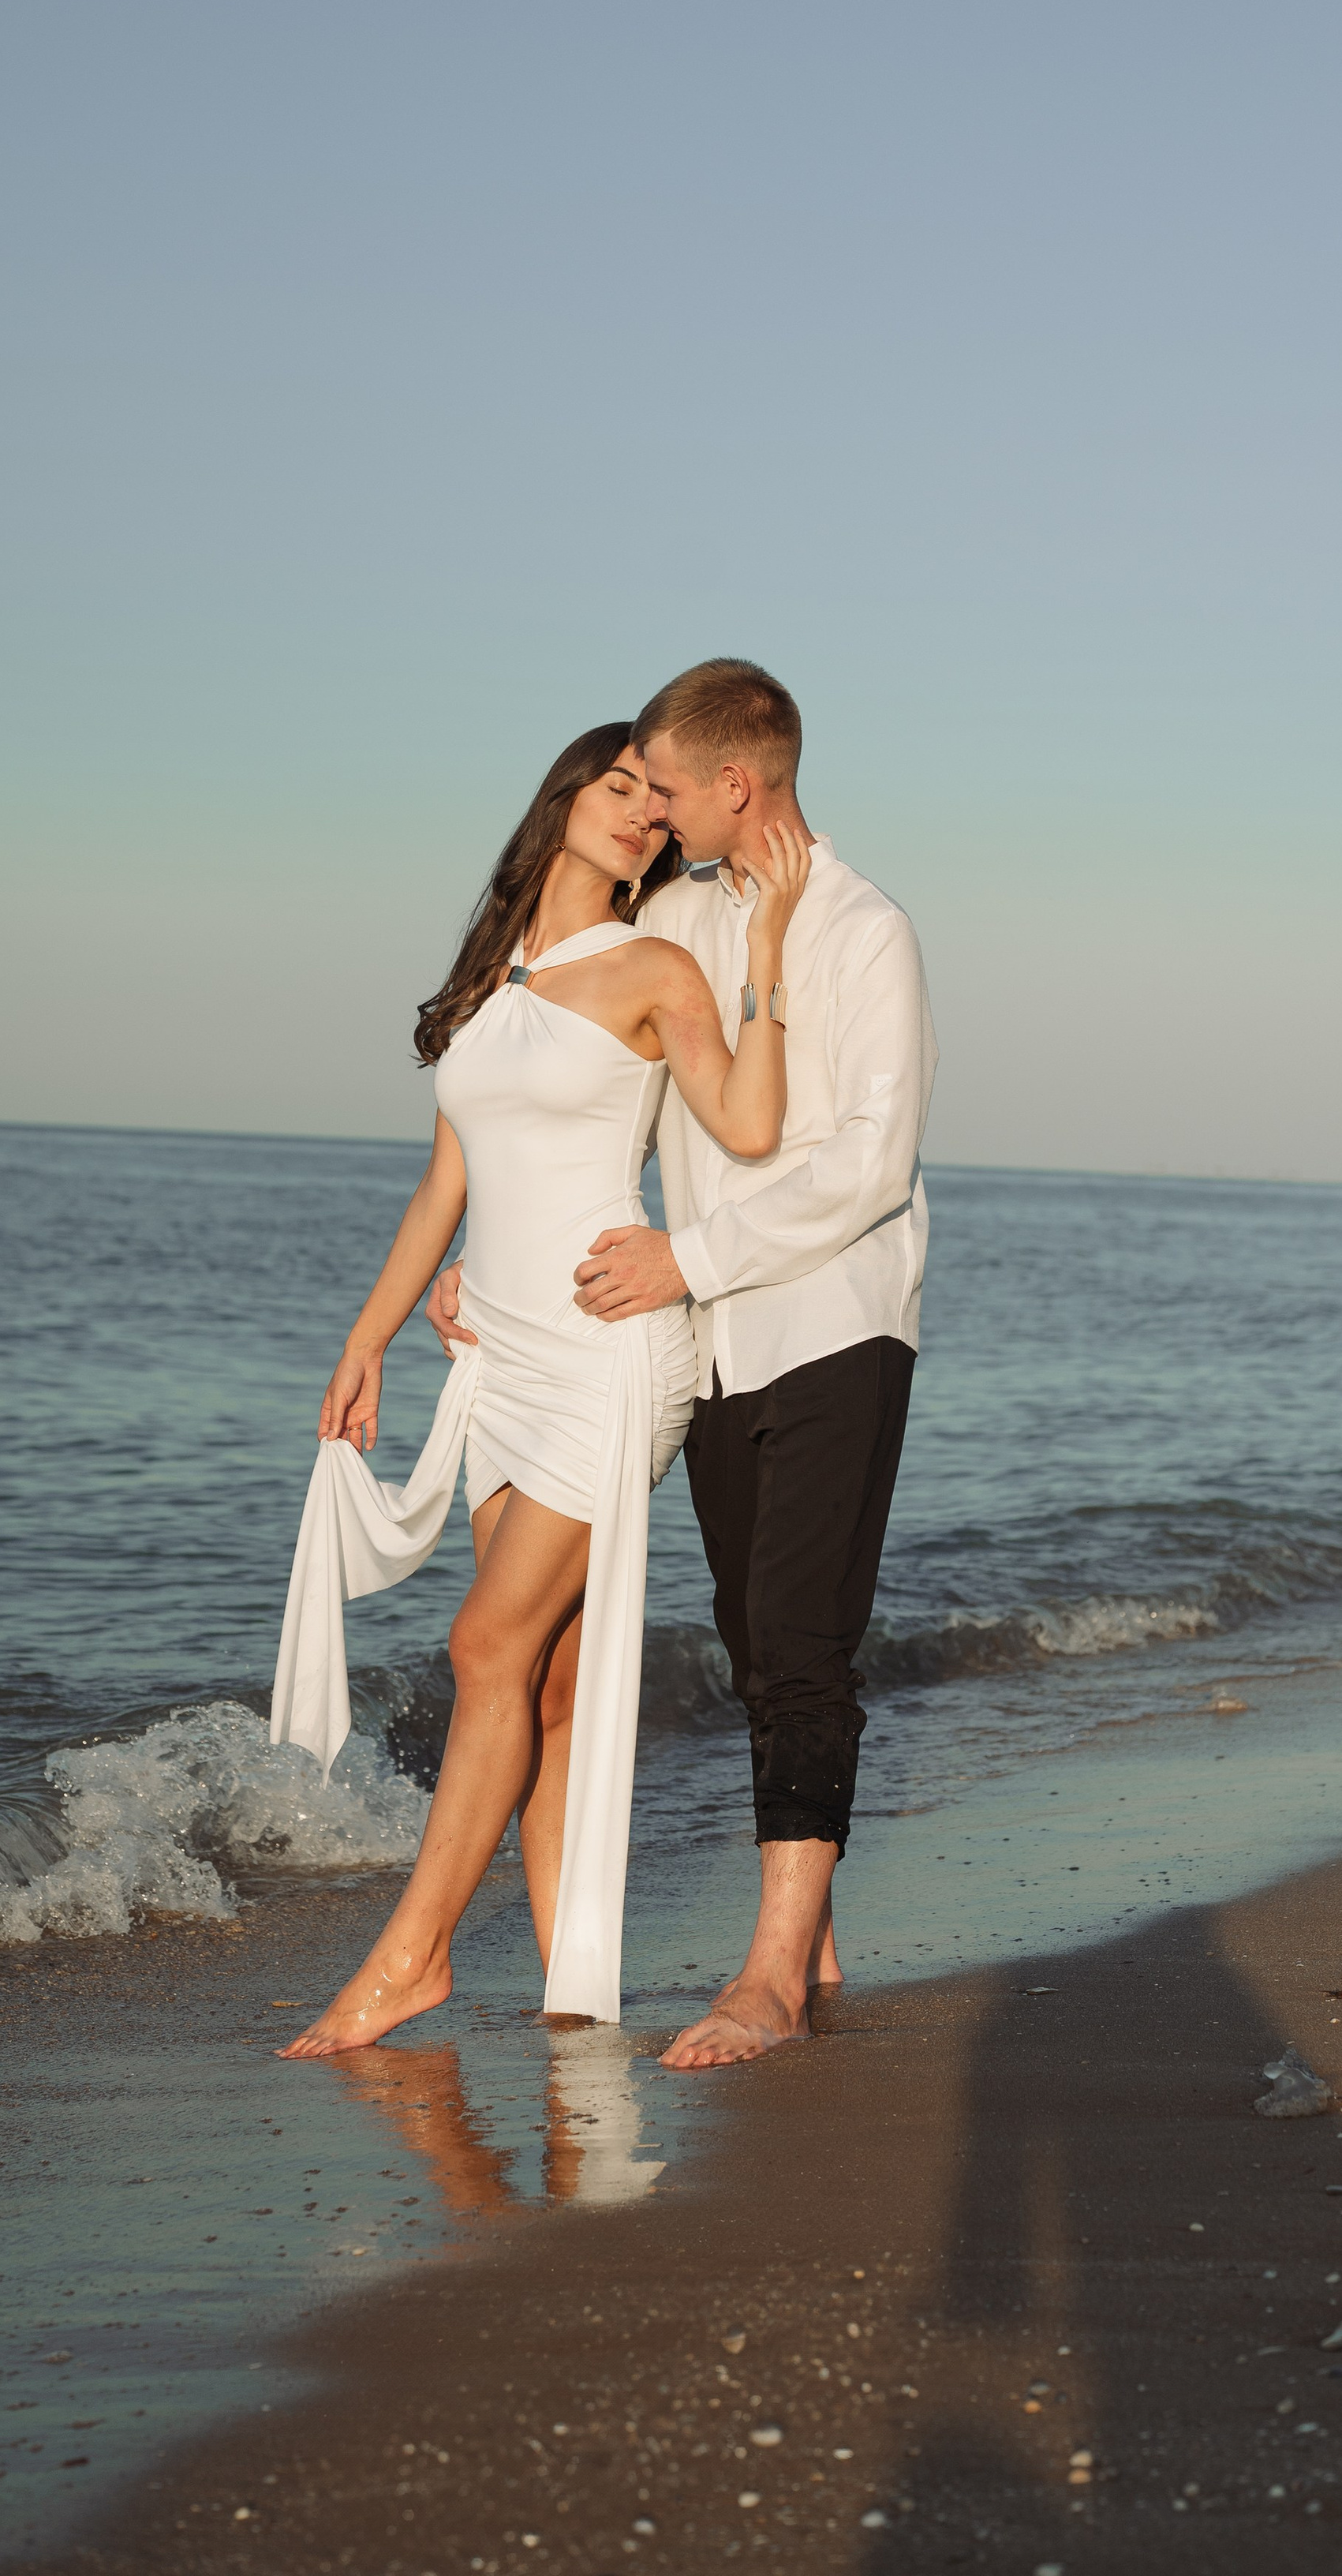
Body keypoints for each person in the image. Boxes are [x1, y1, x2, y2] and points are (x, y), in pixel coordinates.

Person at [272, 724, 809, 2054]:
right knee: (548, 1684)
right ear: (563, 799)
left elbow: (746, 1125)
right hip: (495, 1359)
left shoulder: (657, 964)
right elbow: (448, 1184)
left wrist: (774, 963)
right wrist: (370, 1336)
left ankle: (414, 1956)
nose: (637, 814)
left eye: (652, 798)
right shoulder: (488, 980)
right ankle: (573, 1983)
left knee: (482, 1649)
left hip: (605, 1355)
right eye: (615, 787)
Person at [432, 661, 936, 2069]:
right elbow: (596, 1098)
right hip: (700, 1346)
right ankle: (813, 1923)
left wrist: (690, 1262)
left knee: (797, 1640)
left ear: (738, 782)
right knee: (742, 1632)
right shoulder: (672, 916)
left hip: (835, 1320)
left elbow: (867, 1164)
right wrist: (507, 1255)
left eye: (664, 784)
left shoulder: (863, 929)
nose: (647, 809)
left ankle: (774, 1970)